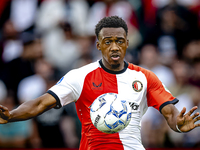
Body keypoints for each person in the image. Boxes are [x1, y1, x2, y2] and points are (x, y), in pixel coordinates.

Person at [0, 16, 200, 150]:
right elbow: (40, 103)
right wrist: (12, 115)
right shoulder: (80, 76)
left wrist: (178, 125)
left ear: (127, 43)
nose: (114, 47)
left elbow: (170, 113)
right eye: (108, 41)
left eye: (120, 41)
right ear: (98, 45)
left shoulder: (145, 77)